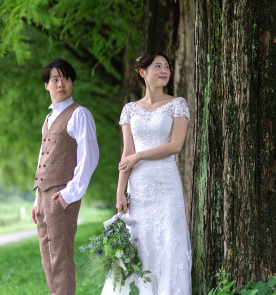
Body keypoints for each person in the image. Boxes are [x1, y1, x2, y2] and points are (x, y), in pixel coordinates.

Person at [101, 52, 192, 295]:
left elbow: (175, 146)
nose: (164, 71)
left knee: (167, 242)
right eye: (157, 66)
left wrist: (140, 156)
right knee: (139, 243)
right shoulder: (130, 110)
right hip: (138, 188)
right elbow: (127, 154)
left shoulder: (178, 104)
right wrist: (120, 190)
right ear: (143, 72)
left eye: (167, 67)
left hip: (166, 185)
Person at [32, 58, 99, 295]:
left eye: (66, 78)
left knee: (60, 259)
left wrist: (70, 193)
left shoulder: (80, 114)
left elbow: (89, 157)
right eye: (55, 79)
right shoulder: (48, 119)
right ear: (46, 85)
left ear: (72, 82)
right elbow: (44, 157)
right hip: (43, 197)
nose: (61, 84)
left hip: (62, 196)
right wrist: (36, 200)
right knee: (48, 259)